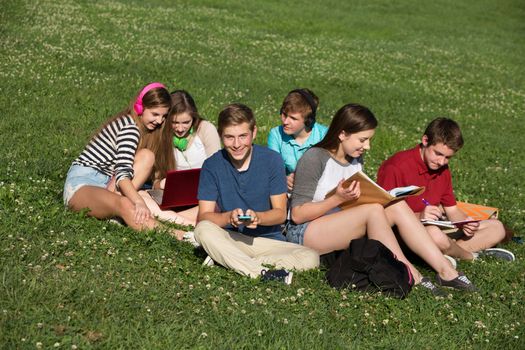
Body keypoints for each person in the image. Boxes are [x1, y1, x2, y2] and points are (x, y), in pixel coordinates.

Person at [287, 103, 477, 293]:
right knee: (373, 210)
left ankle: (446, 271)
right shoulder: (315, 157)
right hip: (304, 232)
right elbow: (297, 215)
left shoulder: (354, 160)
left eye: (369, 140)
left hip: (338, 224)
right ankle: (412, 274)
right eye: (363, 140)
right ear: (342, 134)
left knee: (396, 205)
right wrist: (337, 198)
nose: (367, 146)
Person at [193, 103, 319, 283]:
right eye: (229, 137)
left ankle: (227, 260)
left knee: (311, 257)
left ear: (254, 133)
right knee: (202, 229)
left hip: (267, 241)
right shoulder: (212, 165)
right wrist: (228, 218)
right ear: (221, 137)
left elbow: (280, 214)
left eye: (243, 136)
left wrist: (258, 218)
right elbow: (204, 216)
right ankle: (261, 273)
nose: (237, 144)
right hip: (230, 236)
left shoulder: (272, 160)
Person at [377, 117, 514, 262]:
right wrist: (419, 216)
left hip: (435, 228)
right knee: (434, 234)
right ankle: (471, 257)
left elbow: (452, 210)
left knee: (497, 227)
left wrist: (466, 224)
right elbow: (383, 217)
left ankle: (448, 253)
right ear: (425, 141)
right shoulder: (396, 167)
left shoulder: (442, 169)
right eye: (438, 154)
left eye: (448, 157)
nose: (442, 162)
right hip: (405, 234)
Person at [63, 82, 182, 236]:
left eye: (163, 116)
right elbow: (122, 176)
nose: (159, 121)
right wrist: (138, 201)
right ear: (140, 107)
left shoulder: (134, 126)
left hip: (105, 183)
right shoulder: (130, 129)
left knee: (147, 156)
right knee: (126, 203)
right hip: (81, 185)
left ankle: (116, 214)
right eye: (155, 114)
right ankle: (179, 236)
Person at [139, 90, 221, 226]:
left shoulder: (206, 129)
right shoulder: (162, 136)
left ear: (194, 118)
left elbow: (219, 170)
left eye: (186, 122)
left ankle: (170, 219)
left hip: (205, 197)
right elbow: (156, 181)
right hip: (174, 198)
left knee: (218, 203)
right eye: (175, 122)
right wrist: (162, 184)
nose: (180, 128)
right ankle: (186, 222)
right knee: (141, 195)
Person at [267, 88, 328, 191]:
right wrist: (284, 179)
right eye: (284, 115)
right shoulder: (276, 134)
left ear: (308, 121)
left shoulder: (324, 135)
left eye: (293, 118)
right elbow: (273, 170)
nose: (285, 121)